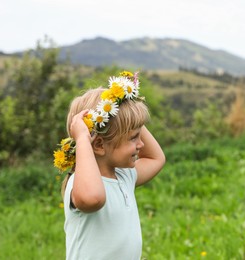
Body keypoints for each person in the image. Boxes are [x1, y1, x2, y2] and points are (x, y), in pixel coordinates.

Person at [53, 71, 165, 260]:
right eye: (133, 138)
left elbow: (156, 158)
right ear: (98, 145)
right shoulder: (80, 184)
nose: (141, 144)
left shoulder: (124, 175)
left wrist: (127, 110)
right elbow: (92, 199)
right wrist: (82, 138)